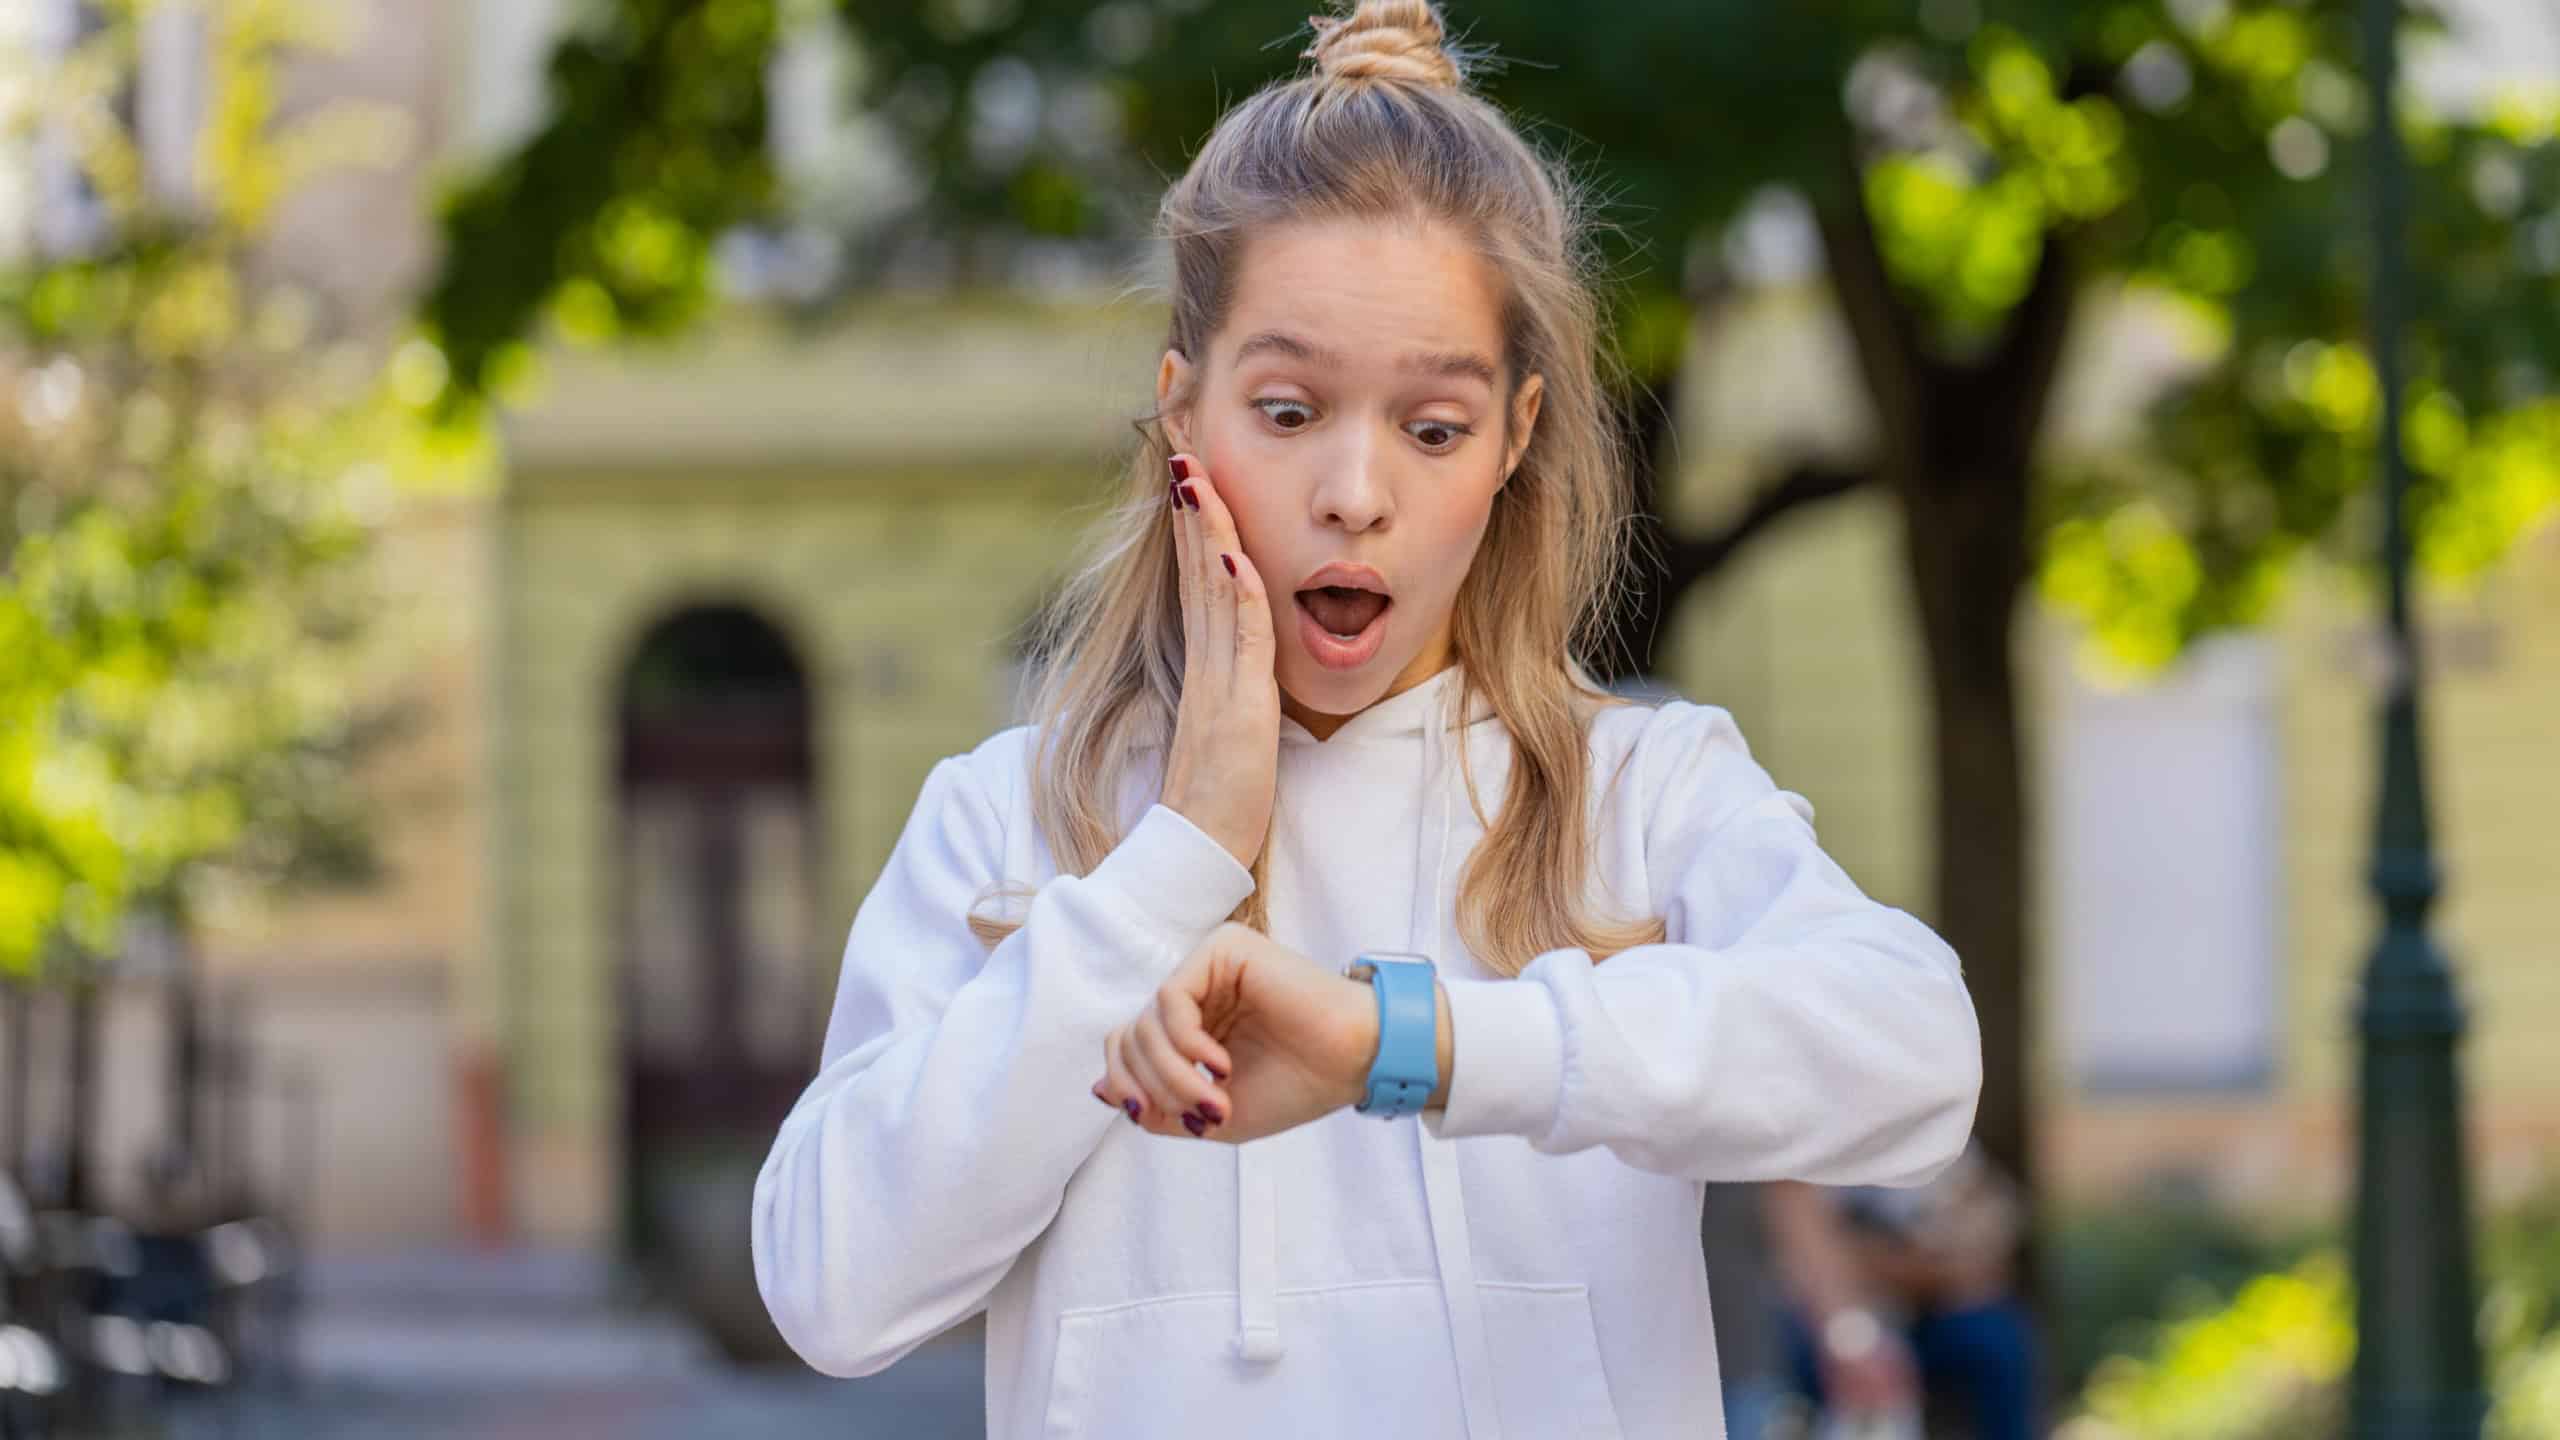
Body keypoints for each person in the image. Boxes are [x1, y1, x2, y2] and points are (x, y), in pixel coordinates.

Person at [749, 4, 1983, 1436]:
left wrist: (1407, 1043)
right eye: (1285, 410)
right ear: (1181, 417)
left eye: (1434, 428)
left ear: (1517, 440)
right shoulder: (1012, 817)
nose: (1355, 490)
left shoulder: (1640, 789)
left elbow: (1916, 1060)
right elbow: (830, 1291)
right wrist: (1173, 862)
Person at [1764, 1145, 2037, 1440]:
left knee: (1998, 1338)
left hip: (1927, 1314)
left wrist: (1866, 1258)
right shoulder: (1802, 1142)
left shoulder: (1939, 1134)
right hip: (1828, 1321)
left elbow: (1984, 1260)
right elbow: (1803, 1255)